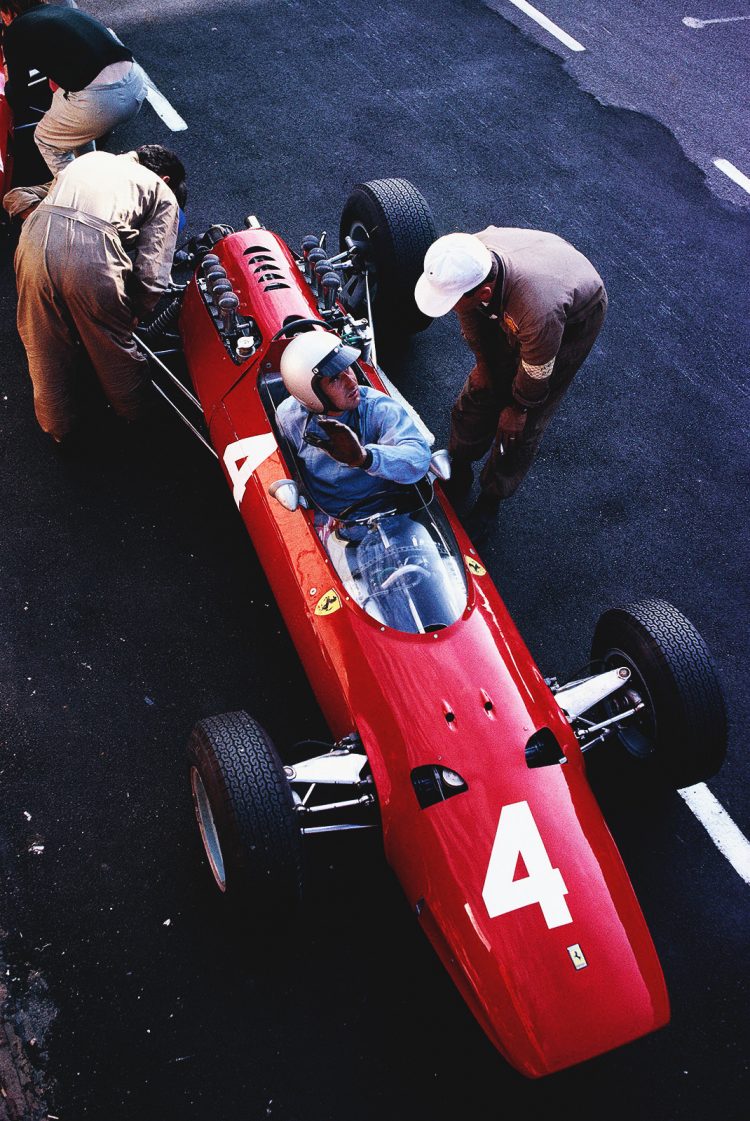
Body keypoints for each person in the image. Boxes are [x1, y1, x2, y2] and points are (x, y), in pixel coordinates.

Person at [414, 229, 608, 539]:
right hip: (530, 274)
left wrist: (518, 408)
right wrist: (484, 364)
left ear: (485, 295)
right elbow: (470, 318)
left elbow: (536, 371)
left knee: (520, 427)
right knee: (481, 388)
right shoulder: (465, 262)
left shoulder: (539, 311)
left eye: (451, 302)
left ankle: (491, 499)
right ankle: (460, 464)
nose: (449, 308)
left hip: (573, 316)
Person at [12, 144, 186, 443]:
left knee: (42, 345)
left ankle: (58, 428)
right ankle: (135, 414)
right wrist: (132, 314)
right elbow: (153, 274)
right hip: (92, 255)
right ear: (166, 178)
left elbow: (20, 196)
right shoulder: (162, 191)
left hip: (31, 244)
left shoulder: (88, 160)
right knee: (111, 346)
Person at [276, 330, 432, 518]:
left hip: (384, 513)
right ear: (310, 392)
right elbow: (285, 467)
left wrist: (365, 458)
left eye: (347, 368)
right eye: (335, 379)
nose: (351, 383)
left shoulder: (377, 407)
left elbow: (419, 457)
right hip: (323, 519)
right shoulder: (288, 416)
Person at [0, 0, 147, 175]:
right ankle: (89, 171)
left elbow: (19, 93)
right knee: (71, 124)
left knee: (46, 138)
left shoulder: (16, 30)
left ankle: (77, 192)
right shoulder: (57, 13)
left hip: (101, 100)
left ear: (8, 11)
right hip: (135, 82)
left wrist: (8, 73)